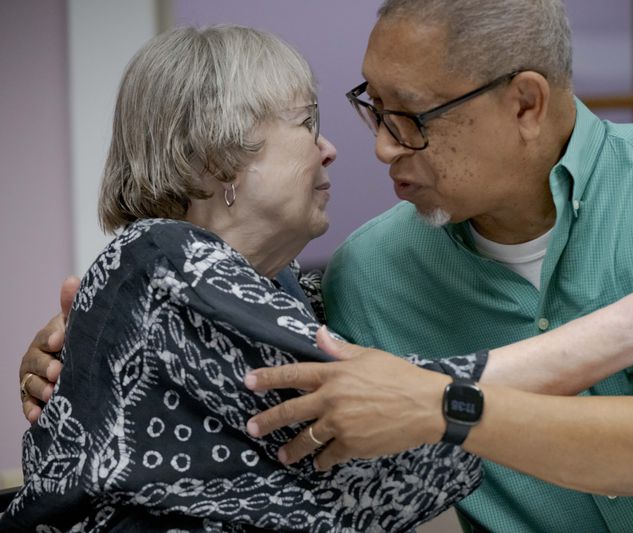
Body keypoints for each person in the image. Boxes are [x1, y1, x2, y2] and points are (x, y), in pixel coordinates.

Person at [13, 4, 633, 533]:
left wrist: (98, 338)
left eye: (410, 118)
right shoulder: (367, 271)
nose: (376, 148)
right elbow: (347, 409)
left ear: (526, 104)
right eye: (367, 109)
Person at [2, 25, 492, 532]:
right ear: (218, 158)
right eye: (307, 123)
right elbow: (404, 423)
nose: (329, 149)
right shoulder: (162, 257)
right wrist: (575, 354)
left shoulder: (278, 287)